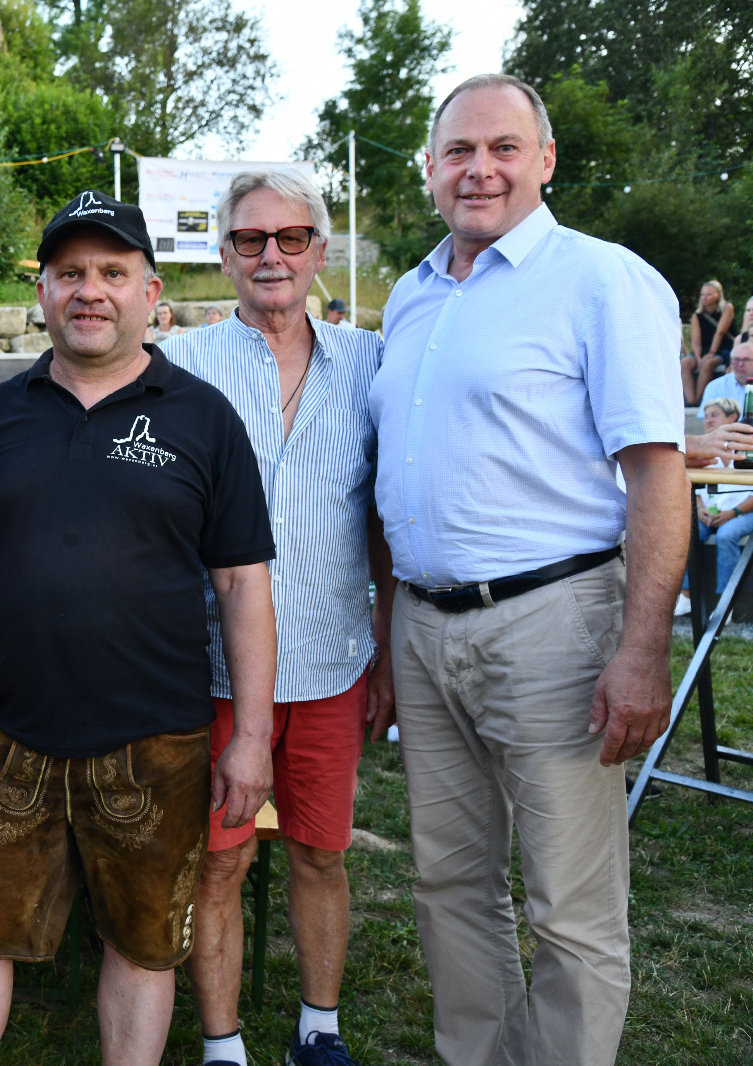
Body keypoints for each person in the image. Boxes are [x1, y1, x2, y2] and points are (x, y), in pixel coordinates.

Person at [0, 190, 279, 1066]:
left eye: (112, 272)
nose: (90, 291)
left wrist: (252, 736)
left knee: (143, 948)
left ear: (151, 293)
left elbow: (242, 584)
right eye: (70, 273)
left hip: (156, 741)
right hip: (9, 731)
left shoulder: (203, 417)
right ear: (43, 291)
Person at [373, 74, 685, 1066]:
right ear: (430, 169)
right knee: (449, 884)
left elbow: (657, 475)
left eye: (503, 147)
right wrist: (388, 633)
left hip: (553, 624)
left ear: (544, 160)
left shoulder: (601, 280)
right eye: (458, 151)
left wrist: (641, 650)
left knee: (569, 907)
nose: (480, 169)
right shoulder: (411, 296)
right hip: (424, 626)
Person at [163, 169, 394, 1066]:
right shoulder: (180, 363)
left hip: (333, 659)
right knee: (221, 860)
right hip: (213, 669)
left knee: (320, 855)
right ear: (224, 255)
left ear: (318, 251)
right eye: (251, 239)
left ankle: (318, 1030)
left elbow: (385, 515)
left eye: (291, 238)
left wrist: (388, 646)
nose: (272, 255)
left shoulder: (368, 362)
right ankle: (223, 1045)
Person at [690, 397, 753, 599]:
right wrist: (700, 510)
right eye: (706, 416)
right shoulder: (701, 452)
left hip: (745, 512)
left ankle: (726, 602)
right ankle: (686, 594)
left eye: (714, 415)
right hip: (712, 514)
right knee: (688, 531)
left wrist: (733, 513)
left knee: (726, 534)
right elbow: (697, 491)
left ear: (733, 418)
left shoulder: (749, 446)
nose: (708, 420)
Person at [684, 280, 735, 406]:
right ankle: (691, 400)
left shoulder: (727, 308)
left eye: (709, 294)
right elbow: (696, 341)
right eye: (702, 295)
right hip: (703, 349)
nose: (704, 298)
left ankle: (699, 400)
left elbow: (720, 333)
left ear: (718, 295)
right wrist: (698, 357)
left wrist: (711, 353)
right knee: (684, 363)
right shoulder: (697, 315)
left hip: (723, 348)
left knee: (708, 363)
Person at [696, 340, 753, 418]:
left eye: (746, 360)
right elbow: (707, 419)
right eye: (736, 360)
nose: (740, 364)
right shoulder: (715, 386)